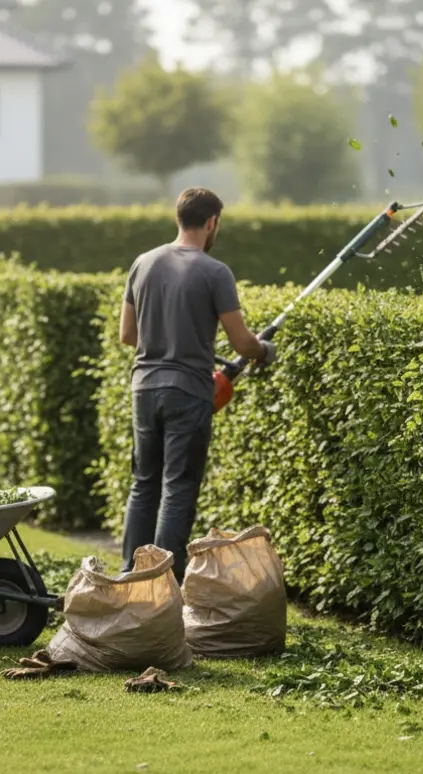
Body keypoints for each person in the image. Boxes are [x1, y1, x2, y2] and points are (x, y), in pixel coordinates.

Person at [117, 187, 276, 582]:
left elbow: (127, 335)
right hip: (188, 391)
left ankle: (129, 575)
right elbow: (242, 343)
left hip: (144, 388)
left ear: (179, 218)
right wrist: (263, 350)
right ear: (212, 222)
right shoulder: (215, 272)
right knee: (178, 488)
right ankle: (163, 580)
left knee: (143, 485)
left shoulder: (143, 263)